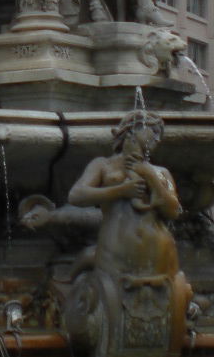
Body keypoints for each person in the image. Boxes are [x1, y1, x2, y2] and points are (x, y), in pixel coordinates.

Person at [67, 109, 181, 281]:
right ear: (133, 129)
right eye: (154, 131)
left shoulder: (161, 172)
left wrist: (150, 176)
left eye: (160, 135)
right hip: (115, 252)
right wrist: (120, 191)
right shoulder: (103, 165)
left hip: (158, 254)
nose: (158, 139)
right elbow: (76, 195)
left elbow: (174, 211)